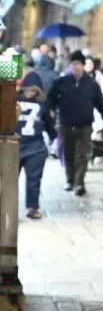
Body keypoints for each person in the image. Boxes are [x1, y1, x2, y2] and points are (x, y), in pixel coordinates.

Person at [47, 50, 103, 196]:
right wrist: (50, 111)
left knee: (83, 154)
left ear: (83, 65)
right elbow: (50, 100)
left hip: (85, 125)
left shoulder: (91, 84)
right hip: (66, 124)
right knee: (68, 153)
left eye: (79, 64)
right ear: (70, 65)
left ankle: (79, 182)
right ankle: (70, 180)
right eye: (73, 64)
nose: (76, 67)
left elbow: (99, 102)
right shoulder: (61, 82)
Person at [16, 70, 57, 219]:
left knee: (33, 179)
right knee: (9, 180)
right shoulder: (42, 103)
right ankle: (8, 207)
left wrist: (52, 136)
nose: (30, 92)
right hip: (18, 145)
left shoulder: (13, 100)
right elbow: (48, 122)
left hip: (34, 145)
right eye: (27, 89)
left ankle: (32, 208)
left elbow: (48, 122)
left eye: (33, 90)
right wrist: (52, 135)